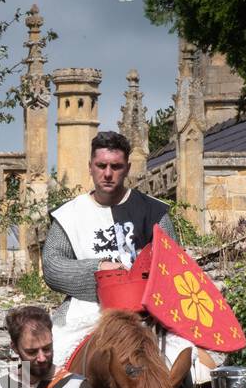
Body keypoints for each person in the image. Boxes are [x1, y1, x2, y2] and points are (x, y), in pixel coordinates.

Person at [43, 130, 176, 367]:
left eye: (115, 166)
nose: (107, 174)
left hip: (147, 313)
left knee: (190, 362)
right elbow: (53, 266)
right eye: (101, 165)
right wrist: (99, 269)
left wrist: (138, 283)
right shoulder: (69, 215)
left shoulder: (153, 212)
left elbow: (173, 268)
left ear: (127, 167)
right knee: (52, 367)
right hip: (87, 312)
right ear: (90, 166)